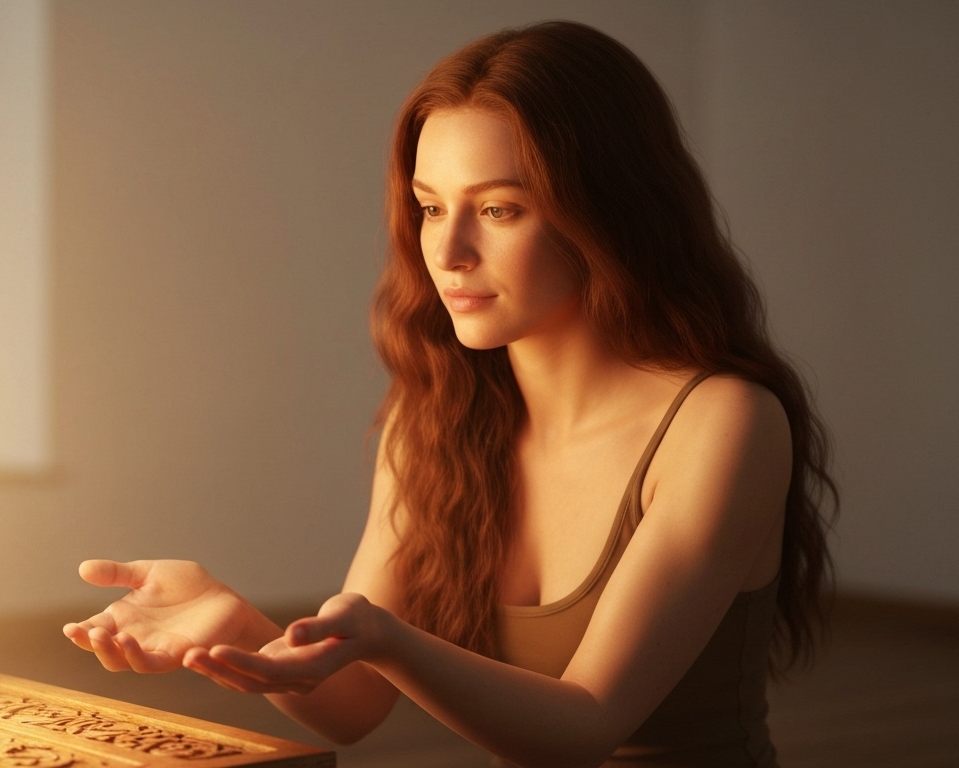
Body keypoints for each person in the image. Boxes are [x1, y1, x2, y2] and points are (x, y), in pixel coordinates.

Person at [63, 20, 835, 768]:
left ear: (612, 210)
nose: (449, 250)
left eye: (498, 209)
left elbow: (584, 728)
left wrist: (390, 639)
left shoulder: (723, 423)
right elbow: (354, 703)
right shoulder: (434, 415)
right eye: (431, 206)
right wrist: (232, 620)